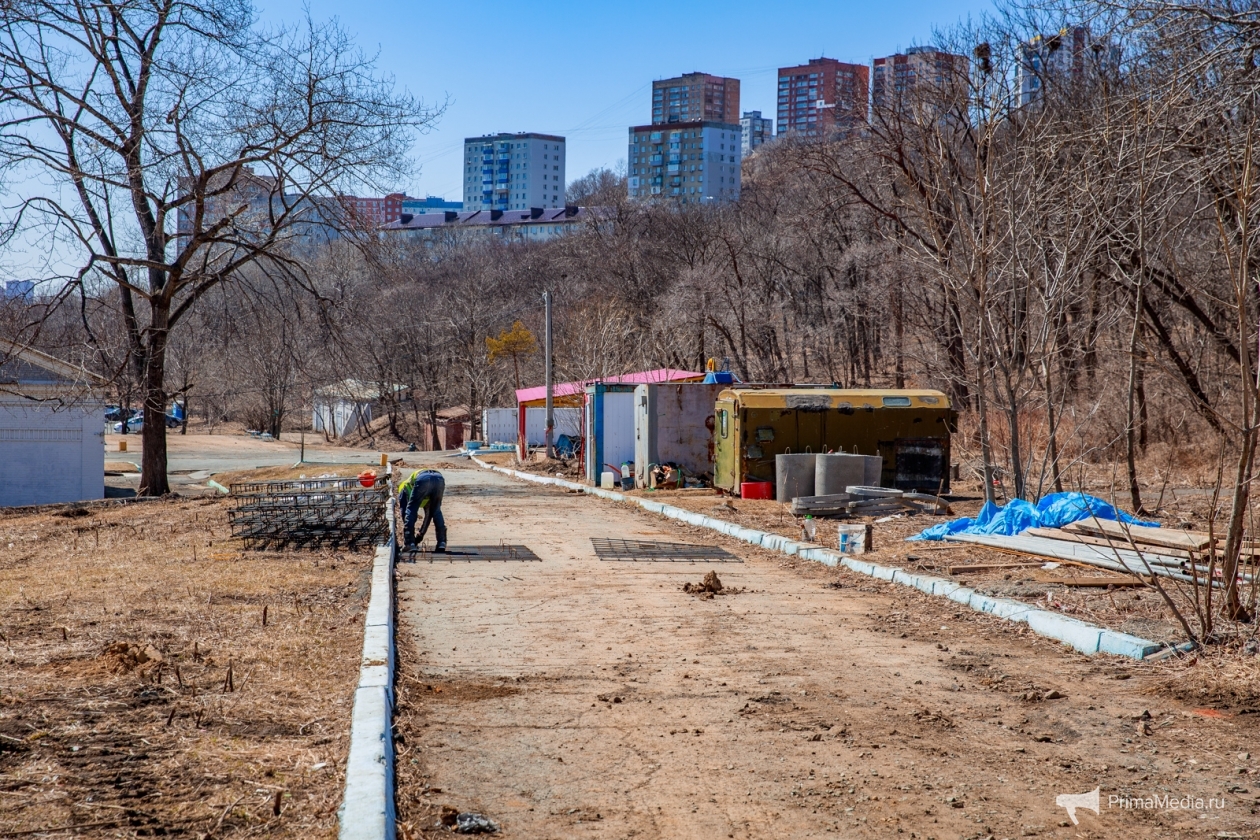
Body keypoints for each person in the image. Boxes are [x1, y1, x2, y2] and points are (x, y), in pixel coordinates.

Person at [398, 468, 446, 552]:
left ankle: (409, 544)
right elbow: (429, 514)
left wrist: (411, 537)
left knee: (411, 509)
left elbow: (405, 513)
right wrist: (421, 534)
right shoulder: (425, 494)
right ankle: (442, 542)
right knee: (436, 510)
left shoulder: (404, 490)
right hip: (439, 479)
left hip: (423, 479)